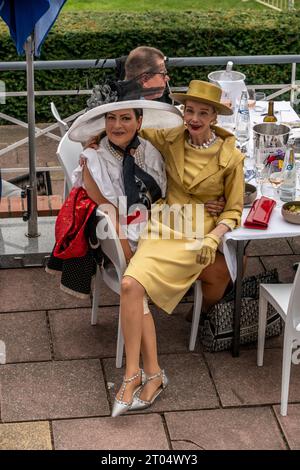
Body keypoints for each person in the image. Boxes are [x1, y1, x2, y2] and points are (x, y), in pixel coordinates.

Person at [111, 80, 244, 417]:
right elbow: (130, 130)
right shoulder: (170, 137)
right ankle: (137, 373)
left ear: (215, 117)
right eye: (189, 110)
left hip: (198, 230)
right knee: (129, 284)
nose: (193, 118)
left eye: (202, 112)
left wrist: (214, 237)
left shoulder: (231, 158)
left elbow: (234, 210)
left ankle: (146, 376)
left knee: (137, 287)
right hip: (166, 220)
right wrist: (98, 136)